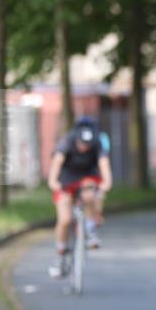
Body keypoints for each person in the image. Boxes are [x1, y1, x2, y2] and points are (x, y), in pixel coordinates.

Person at [47, 116, 112, 277]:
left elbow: (104, 165)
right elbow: (56, 164)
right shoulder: (67, 142)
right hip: (67, 178)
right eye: (82, 144)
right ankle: (60, 253)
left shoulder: (97, 144)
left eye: (87, 145)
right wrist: (54, 182)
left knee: (91, 194)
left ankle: (90, 230)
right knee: (65, 219)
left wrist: (106, 184)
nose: (84, 148)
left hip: (87, 177)